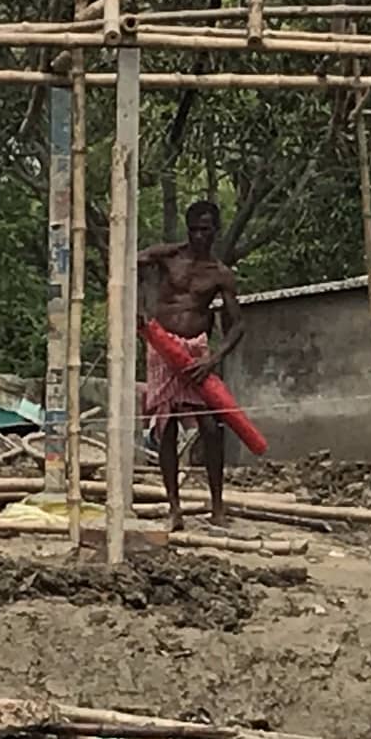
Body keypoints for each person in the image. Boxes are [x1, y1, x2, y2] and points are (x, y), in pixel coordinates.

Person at [138, 200, 245, 529]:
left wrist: (213, 359)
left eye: (206, 229)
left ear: (215, 231)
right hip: (162, 346)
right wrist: (141, 309)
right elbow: (131, 264)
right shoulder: (168, 257)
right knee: (165, 427)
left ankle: (217, 506)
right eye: (194, 229)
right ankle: (174, 508)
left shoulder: (220, 274)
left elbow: (237, 326)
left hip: (196, 352)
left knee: (211, 430)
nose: (200, 236)